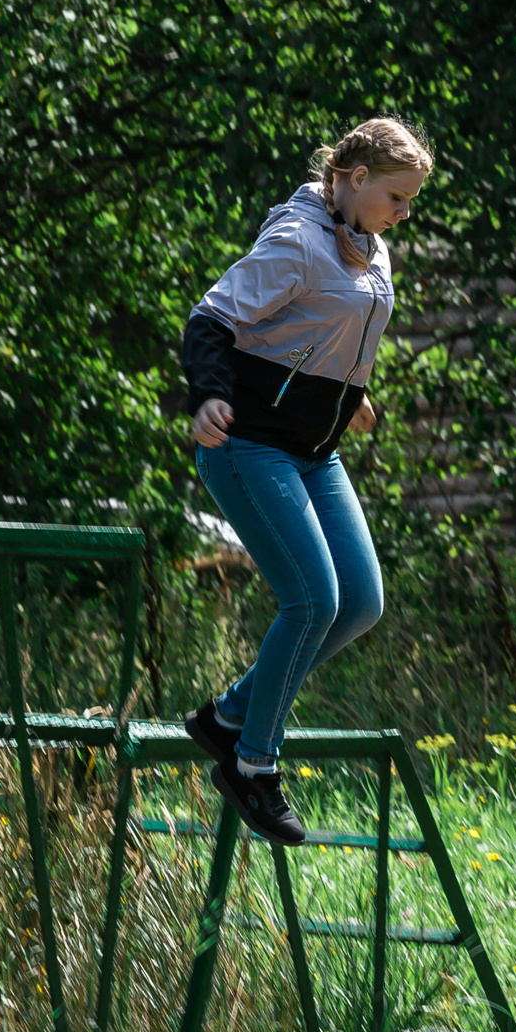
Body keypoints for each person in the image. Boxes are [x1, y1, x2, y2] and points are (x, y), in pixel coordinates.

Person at [178, 117, 432, 844]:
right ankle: (251, 763)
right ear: (353, 180)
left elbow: (329, 332)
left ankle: (227, 715)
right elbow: (212, 318)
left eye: (411, 199)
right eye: (396, 196)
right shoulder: (296, 239)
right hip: (249, 443)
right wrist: (208, 395)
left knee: (359, 602)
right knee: (312, 597)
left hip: (315, 449)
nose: (404, 212)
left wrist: (349, 394)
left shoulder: (370, 246)